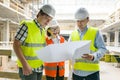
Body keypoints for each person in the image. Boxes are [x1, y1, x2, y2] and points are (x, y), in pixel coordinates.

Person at [13, 4, 56, 80]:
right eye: (46, 17)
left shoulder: (42, 30)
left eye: (50, 19)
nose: (48, 21)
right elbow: (16, 45)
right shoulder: (27, 25)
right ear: (39, 14)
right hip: (28, 68)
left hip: (39, 67)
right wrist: (25, 64)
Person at [68, 8, 107, 80]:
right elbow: (69, 50)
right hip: (77, 73)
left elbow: (102, 48)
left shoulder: (95, 32)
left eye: (82, 20)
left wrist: (94, 56)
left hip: (92, 73)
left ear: (88, 19)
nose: (80, 23)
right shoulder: (73, 34)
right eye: (78, 21)